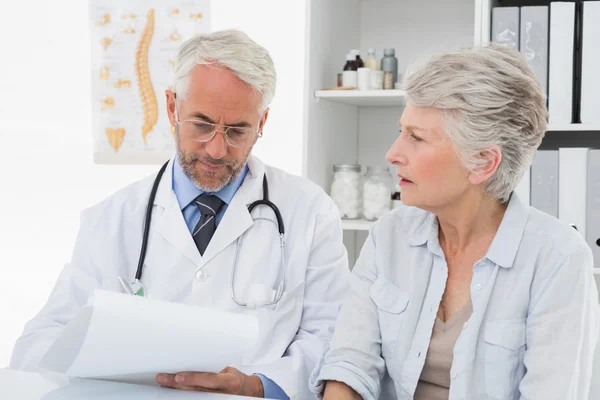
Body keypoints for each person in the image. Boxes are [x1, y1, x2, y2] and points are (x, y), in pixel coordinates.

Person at [10, 29, 350, 399]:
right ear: (172, 107)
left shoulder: (310, 212)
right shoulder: (112, 218)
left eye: (237, 131)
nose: (217, 150)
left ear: (262, 123)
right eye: (201, 125)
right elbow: (39, 343)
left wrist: (258, 384)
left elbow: (333, 338)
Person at [310, 45, 600, 400]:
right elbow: (349, 364)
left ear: (482, 162)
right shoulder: (390, 235)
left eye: (416, 138)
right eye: (402, 131)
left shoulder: (558, 259)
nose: (393, 154)